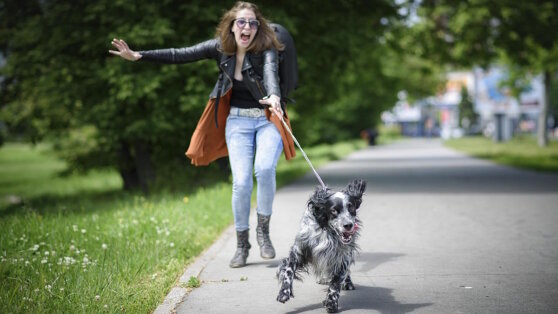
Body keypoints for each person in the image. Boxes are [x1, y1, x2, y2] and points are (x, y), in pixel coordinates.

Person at [109, 1, 296, 268]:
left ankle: (263, 232)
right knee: (241, 182)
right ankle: (242, 244)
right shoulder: (219, 48)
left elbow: (270, 72)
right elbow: (179, 54)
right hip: (238, 122)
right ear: (232, 26)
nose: (247, 27)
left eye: (252, 23)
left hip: (267, 119)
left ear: (258, 28)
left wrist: (275, 95)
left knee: (265, 170)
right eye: (241, 22)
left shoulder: (266, 48)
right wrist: (139, 55)